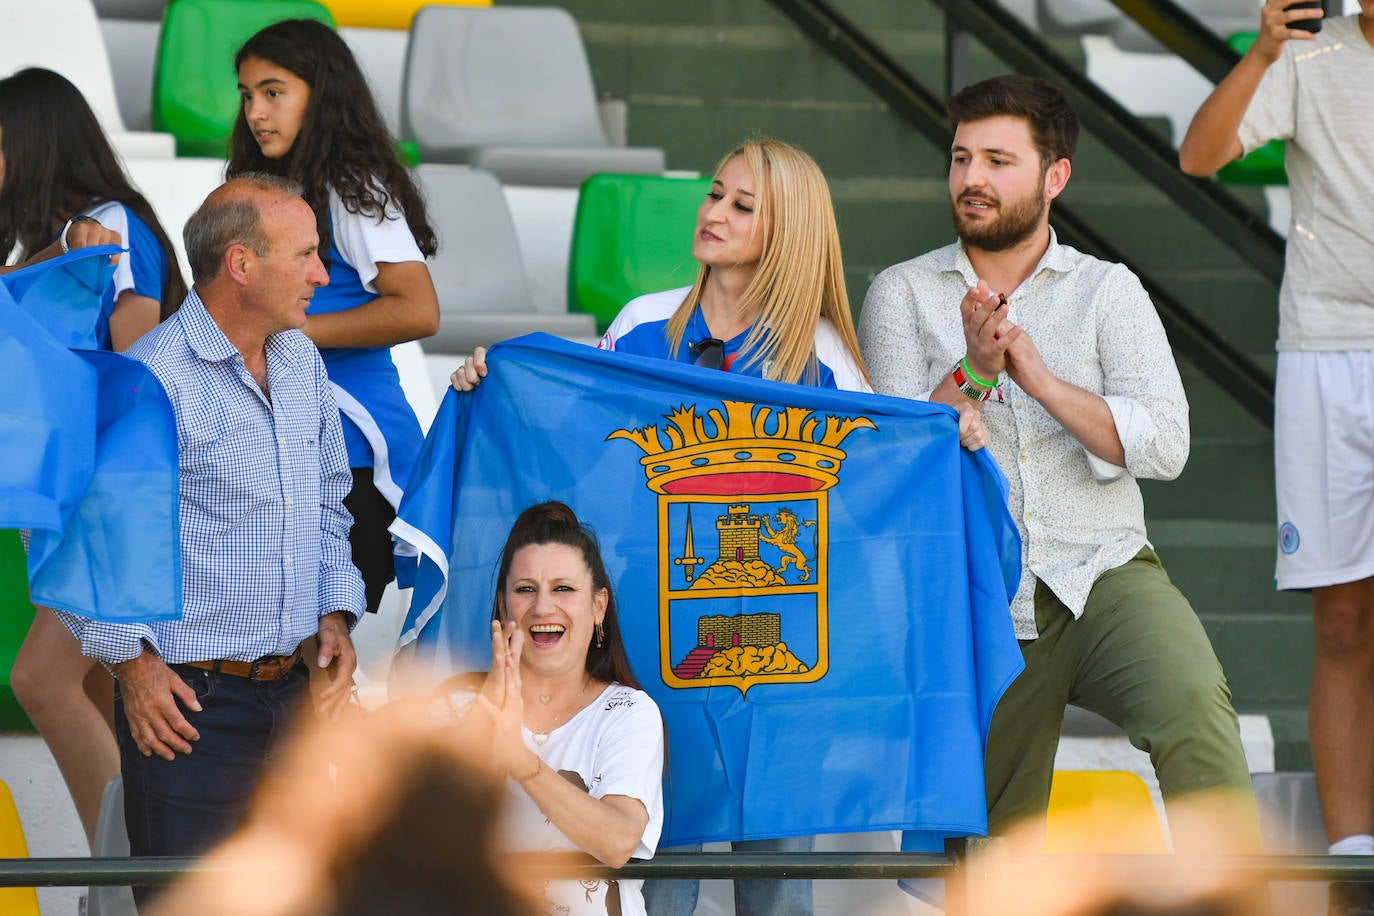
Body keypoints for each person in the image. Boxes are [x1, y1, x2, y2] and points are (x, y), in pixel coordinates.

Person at [451, 138, 986, 916]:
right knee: (657, 880)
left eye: (742, 205)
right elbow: (577, 448)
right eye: (714, 194)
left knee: (776, 892)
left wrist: (949, 435)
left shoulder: (824, 352)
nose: (714, 214)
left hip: (785, 677)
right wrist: (492, 386)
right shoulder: (640, 324)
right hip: (662, 646)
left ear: (788, 232)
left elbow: (879, 483)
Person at [858, 75, 1258, 855]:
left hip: (1106, 571)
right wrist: (973, 369)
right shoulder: (902, 293)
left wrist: (1036, 377)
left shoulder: (1109, 291)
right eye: (961, 158)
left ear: (1054, 177)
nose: (973, 179)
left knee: (1194, 709)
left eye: (999, 160)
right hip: (977, 590)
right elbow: (894, 466)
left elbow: (1165, 445)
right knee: (989, 845)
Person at [55, 174, 366, 907]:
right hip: (188, 711)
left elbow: (329, 504)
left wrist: (335, 614)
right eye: (308, 255)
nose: (322, 274)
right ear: (242, 264)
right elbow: (86, 540)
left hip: (297, 699)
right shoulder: (150, 379)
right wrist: (129, 667)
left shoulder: (302, 363)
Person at [1179, 3, 1374, 907]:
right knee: (1342, 618)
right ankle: (1353, 853)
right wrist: (1261, 50)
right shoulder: (1308, 52)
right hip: (1325, 351)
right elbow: (1199, 154)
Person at [0, 66, 188, 848]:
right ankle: (133, 874)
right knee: (98, 691)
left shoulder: (109, 224)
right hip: (89, 500)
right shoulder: (64, 234)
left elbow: (141, 371)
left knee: (39, 679)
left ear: (34, 143)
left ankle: (123, 878)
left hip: (117, 500)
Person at [228, 19, 440, 614]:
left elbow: (419, 310)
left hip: (355, 452)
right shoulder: (273, 187)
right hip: (281, 447)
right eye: (247, 96)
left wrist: (289, 338)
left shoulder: (352, 185)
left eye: (274, 92)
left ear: (321, 94)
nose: (255, 112)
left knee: (334, 649)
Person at [430, 501, 664, 916]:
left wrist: (519, 760)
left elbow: (617, 841)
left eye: (563, 588)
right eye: (524, 589)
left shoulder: (630, 711)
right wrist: (486, 709)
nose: (542, 607)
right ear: (503, 607)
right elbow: (418, 834)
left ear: (598, 606)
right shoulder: (452, 706)